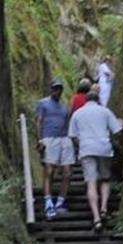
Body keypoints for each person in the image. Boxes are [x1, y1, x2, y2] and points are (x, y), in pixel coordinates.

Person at [67, 90, 123, 233]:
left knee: (91, 183)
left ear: (86, 101)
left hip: (86, 149)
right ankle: (104, 208)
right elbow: (117, 131)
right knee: (105, 179)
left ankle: (96, 218)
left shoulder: (77, 114)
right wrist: (120, 124)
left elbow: (73, 136)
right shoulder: (105, 111)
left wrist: (81, 143)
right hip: (104, 148)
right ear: (98, 100)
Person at [34, 78, 74, 219]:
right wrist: (39, 140)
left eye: (59, 89)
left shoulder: (64, 107)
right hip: (49, 138)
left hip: (64, 139)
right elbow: (39, 121)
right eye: (55, 88)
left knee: (68, 173)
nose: (57, 91)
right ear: (51, 89)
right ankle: (48, 203)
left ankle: (59, 203)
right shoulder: (43, 103)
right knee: (49, 171)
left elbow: (67, 124)